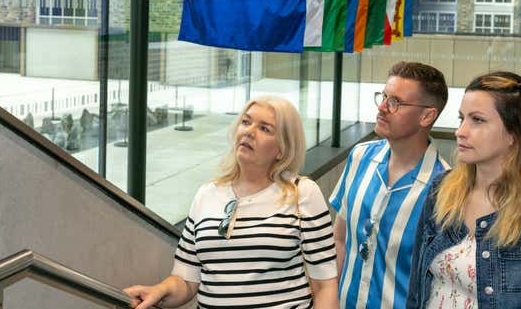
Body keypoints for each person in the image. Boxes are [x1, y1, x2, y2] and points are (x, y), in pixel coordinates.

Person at [125, 96, 339, 309]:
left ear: (282, 149)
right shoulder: (206, 195)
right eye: (246, 122)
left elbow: (325, 287)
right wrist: (159, 291)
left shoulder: (303, 194)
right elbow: (186, 281)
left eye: (265, 128)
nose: (249, 131)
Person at [406, 71, 521, 309]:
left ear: (513, 134)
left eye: (477, 120)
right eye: (461, 118)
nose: (461, 131)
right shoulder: (441, 190)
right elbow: (416, 292)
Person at [330, 61, 450, 309]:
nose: (382, 108)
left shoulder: (445, 188)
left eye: (395, 102)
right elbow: (339, 240)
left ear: (427, 116)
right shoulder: (360, 157)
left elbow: (442, 282)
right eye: (383, 97)